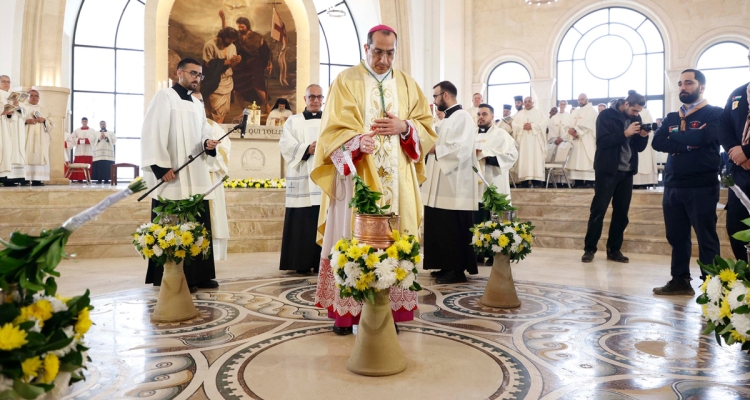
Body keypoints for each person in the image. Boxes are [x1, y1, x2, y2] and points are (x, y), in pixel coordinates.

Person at [311, 25, 436, 335]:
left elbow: (426, 127)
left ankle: (390, 312)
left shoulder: (407, 84)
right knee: (351, 237)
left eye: (390, 53)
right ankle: (346, 313)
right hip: (356, 178)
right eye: (378, 52)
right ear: (366, 49)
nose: (384, 59)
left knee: (396, 239)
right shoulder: (346, 81)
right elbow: (330, 132)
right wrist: (355, 142)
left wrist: (405, 127)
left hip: (398, 180)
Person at [141, 58, 221, 292]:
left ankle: (200, 275)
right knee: (173, 225)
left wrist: (207, 143)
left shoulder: (197, 103)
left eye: (200, 75)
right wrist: (160, 167)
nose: (197, 78)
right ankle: (173, 276)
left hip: (195, 175)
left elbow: (203, 132)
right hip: (172, 175)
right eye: (193, 73)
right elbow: (152, 131)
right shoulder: (164, 97)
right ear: (179, 73)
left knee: (197, 223)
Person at [652, 69, 722, 296]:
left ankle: (712, 286)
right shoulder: (672, 117)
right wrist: (689, 143)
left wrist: (674, 137)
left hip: (701, 184)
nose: (683, 87)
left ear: (701, 87)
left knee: (706, 237)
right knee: (677, 236)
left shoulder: (714, 113)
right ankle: (680, 280)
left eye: (689, 83)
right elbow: (657, 142)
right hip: (673, 184)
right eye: (681, 83)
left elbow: (706, 137)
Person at [582, 90, 649, 263]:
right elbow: (602, 142)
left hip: (627, 172)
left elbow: (639, 148)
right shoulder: (606, 115)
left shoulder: (636, 118)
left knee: (621, 213)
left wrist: (643, 137)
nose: (636, 114)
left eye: (639, 111)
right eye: (634, 110)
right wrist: (625, 133)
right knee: (598, 211)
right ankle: (589, 249)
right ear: (626, 104)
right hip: (607, 170)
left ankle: (614, 250)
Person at [422, 81, 478, 283]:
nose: (434, 100)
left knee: (452, 226)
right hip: (440, 183)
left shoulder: (462, 117)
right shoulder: (447, 119)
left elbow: (462, 148)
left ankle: (456, 270)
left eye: (436, 96)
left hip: (454, 183)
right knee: (440, 224)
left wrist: (435, 149)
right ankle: (444, 265)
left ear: (446, 95)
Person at [279, 84, 324, 274]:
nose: (315, 100)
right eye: (311, 97)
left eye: (319, 97)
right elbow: (285, 143)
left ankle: (322, 263)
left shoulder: (329, 120)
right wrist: (307, 149)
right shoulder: (293, 120)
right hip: (301, 176)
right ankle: (300, 262)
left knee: (322, 217)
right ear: (305, 99)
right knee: (302, 220)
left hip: (323, 177)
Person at [473, 103, 518, 265]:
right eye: (479, 114)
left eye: (484, 114)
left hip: (494, 180)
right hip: (474, 185)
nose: (481, 117)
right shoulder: (470, 135)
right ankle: (477, 252)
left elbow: (512, 155)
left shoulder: (501, 135)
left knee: (494, 217)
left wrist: (488, 157)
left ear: (492, 116)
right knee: (477, 217)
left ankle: (494, 253)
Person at [718, 47, 750, 262]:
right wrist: (735, 151)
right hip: (740, 172)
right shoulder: (738, 93)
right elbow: (723, 125)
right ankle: (744, 272)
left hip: (744, 157)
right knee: (735, 226)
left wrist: (746, 151)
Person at [192, 91, 232, 261]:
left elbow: (224, 150)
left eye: (201, 101)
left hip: (210, 178)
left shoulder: (214, 127)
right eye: (194, 101)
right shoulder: (182, 126)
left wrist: (212, 152)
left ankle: (211, 258)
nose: (198, 105)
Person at [220, 11, 272, 114]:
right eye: (239, 26)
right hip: (241, 66)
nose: (240, 28)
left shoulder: (257, 37)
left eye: (242, 27)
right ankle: (244, 111)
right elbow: (226, 32)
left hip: (255, 65)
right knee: (237, 90)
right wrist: (223, 19)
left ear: (247, 26)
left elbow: (266, 52)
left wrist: (269, 63)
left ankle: (268, 108)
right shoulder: (237, 36)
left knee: (258, 87)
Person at [201, 26, 241, 124]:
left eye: (232, 41)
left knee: (223, 111)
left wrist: (236, 61)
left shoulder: (232, 46)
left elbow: (232, 65)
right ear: (221, 37)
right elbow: (208, 65)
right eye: (229, 40)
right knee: (214, 110)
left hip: (227, 82)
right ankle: (213, 131)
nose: (230, 43)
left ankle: (218, 130)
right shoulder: (210, 45)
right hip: (214, 82)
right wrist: (228, 61)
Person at [512, 96, 548, 187]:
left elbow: (543, 124)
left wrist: (532, 126)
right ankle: (524, 181)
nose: (527, 103)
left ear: (533, 102)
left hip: (535, 142)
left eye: (529, 101)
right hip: (523, 142)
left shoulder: (539, 113)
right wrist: (522, 126)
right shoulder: (519, 114)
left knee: (536, 158)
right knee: (523, 158)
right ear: (523, 103)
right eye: (525, 101)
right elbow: (514, 125)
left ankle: (536, 181)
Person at [0, 75, 28, 187]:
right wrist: (3, 112)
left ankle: (13, 178)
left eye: (8, 82)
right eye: (3, 81)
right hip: (3, 126)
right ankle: (3, 177)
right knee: (4, 149)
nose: (6, 83)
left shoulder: (14, 96)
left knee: (14, 149)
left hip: (15, 127)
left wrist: (17, 106)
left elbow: (24, 113)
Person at [566, 93, 597, 187]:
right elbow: (568, 122)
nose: (580, 101)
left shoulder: (591, 111)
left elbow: (588, 123)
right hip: (575, 139)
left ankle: (589, 181)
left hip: (586, 139)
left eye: (582, 99)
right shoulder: (575, 111)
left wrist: (576, 130)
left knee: (586, 159)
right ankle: (577, 181)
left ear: (587, 99)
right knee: (575, 159)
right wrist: (570, 130)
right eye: (579, 99)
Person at [23, 89, 53, 186]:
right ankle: (24, 179)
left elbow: (52, 125)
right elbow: (15, 122)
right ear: (27, 97)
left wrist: (44, 120)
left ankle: (37, 179)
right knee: (25, 154)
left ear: (39, 98)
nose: (34, 97)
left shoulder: (44, 111)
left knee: (40, 155)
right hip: (27, 137)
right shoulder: (22, 109)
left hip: (41, 139)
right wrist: (26, 121)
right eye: (31, 95)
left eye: (36, 96)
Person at [633, 106, 659, 187]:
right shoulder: (628, 112)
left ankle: (645, 182)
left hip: (644, 142)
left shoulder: (646, 112)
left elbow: (650, 130)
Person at [69, 117, 96, 183]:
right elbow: (71, 138)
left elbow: (94, 138)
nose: (84, 122)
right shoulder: (77, 130)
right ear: (81, 122)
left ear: (87, 122)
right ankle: (79, 179)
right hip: (79, 151)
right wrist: (78, 140)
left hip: (88, 151)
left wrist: (86, 140)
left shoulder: (92, 130)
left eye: (85, 121)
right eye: (83, 121)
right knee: (79, 164)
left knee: (88, 165)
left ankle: (89, 178)